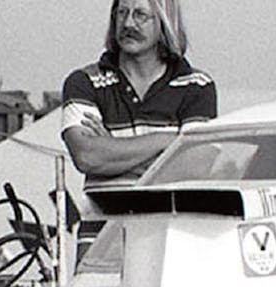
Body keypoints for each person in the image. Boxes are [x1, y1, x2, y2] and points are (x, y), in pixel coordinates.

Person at [60, 0, 217, 189]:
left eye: (140, 15)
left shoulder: (197, 85)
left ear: (165, 21)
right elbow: (87, 157)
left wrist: (112, 149)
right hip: (106, 209)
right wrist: (168, 140)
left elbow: (197, 167)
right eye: (122, 13)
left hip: (171, 209)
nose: (128, 23)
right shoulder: (84, 82)